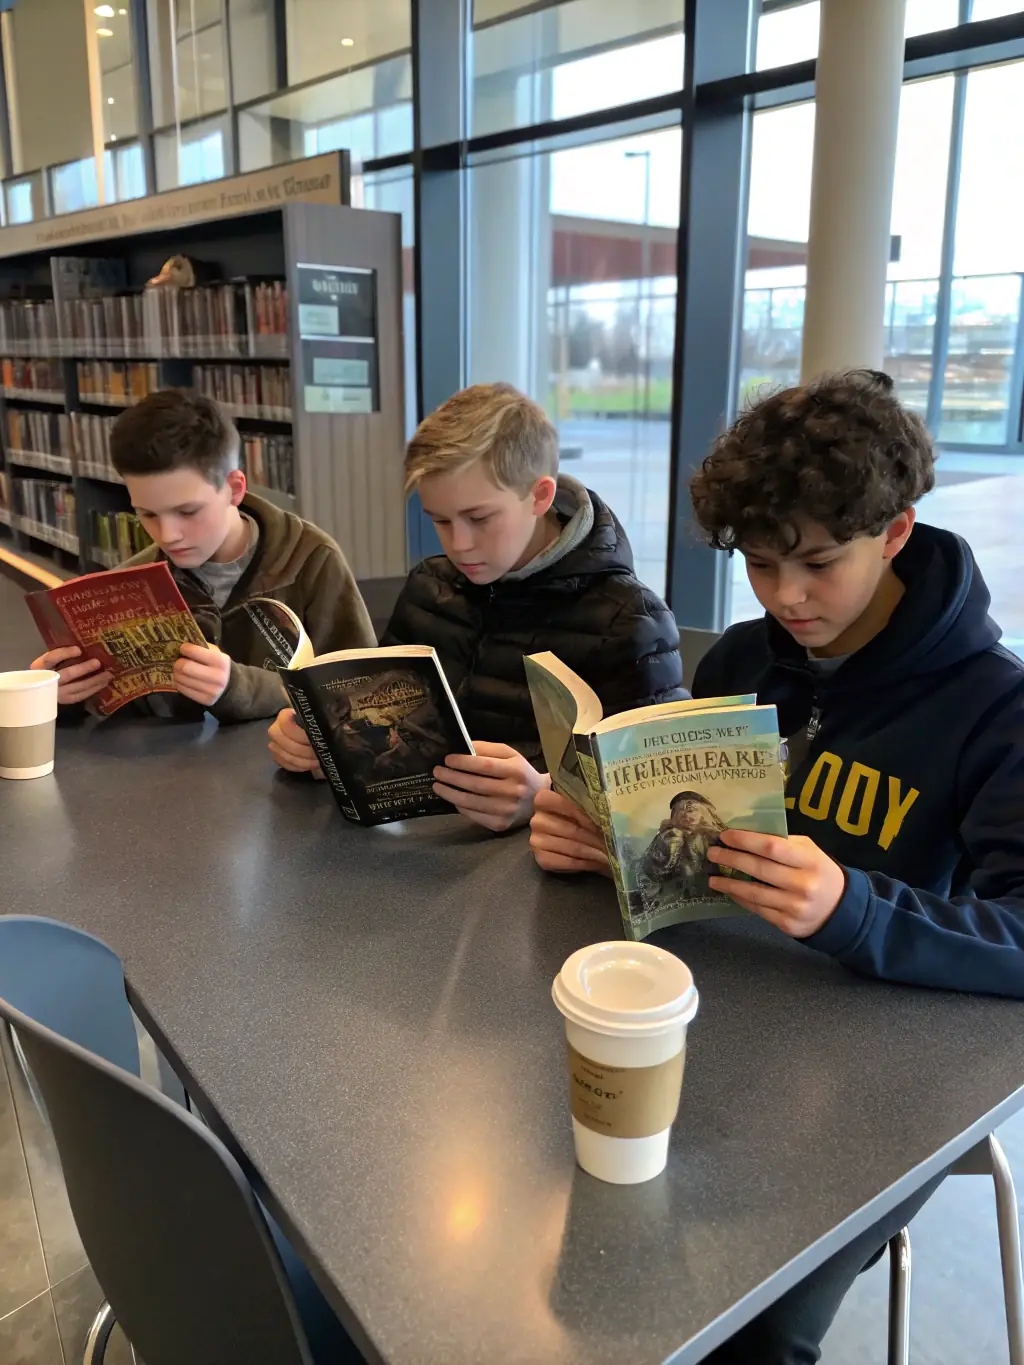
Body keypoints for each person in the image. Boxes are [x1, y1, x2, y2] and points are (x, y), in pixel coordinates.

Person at [529, 369, 1024, 1363]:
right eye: (759, 564)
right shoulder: (742, 662)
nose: (786, 596)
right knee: (566, 1227)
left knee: (746, 1321)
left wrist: (855, 907)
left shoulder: (994, 710)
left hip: (886, 1081)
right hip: (716, 1027)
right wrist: (606, 840)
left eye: (818, 563)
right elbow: (687, 857)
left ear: (895, 532)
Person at [268, 382, 684, 829]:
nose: (459, 544)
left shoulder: (629, 619)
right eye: (440, 521)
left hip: (539, 861)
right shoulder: (430, 586)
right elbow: (387, 725)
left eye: (479, 518)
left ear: (540, 496)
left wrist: (544, 794)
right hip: (418, 847)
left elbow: (662, 796)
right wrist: (327, 746)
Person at [30, 390, 374, 722]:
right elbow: (116, 710)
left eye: (188, 511)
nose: (167, 535)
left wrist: (242, 687)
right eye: (147, 514)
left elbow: (364, 691)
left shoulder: (311, 560)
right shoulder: (129, 582)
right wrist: (56, 696)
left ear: (234, 489)